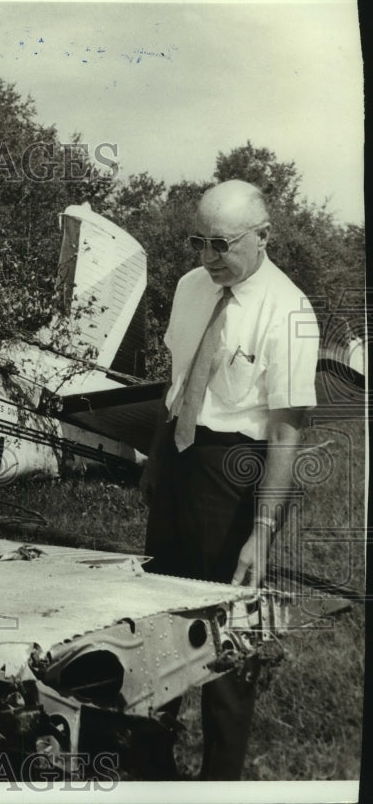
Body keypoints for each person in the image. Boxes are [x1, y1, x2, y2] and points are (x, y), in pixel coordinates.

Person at [139, 179, 319, 780]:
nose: (207, 258)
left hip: (239, 476)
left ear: (264, 237)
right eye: (199, 242)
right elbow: (177, 384)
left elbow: (286, 435)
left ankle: (219, 781)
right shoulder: (191, 288)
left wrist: (262, 532)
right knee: (158, 627)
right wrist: (160, 463)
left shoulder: (289, 310)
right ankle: (151, 769)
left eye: (222, 244)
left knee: (229, 645)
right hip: (179, 458)